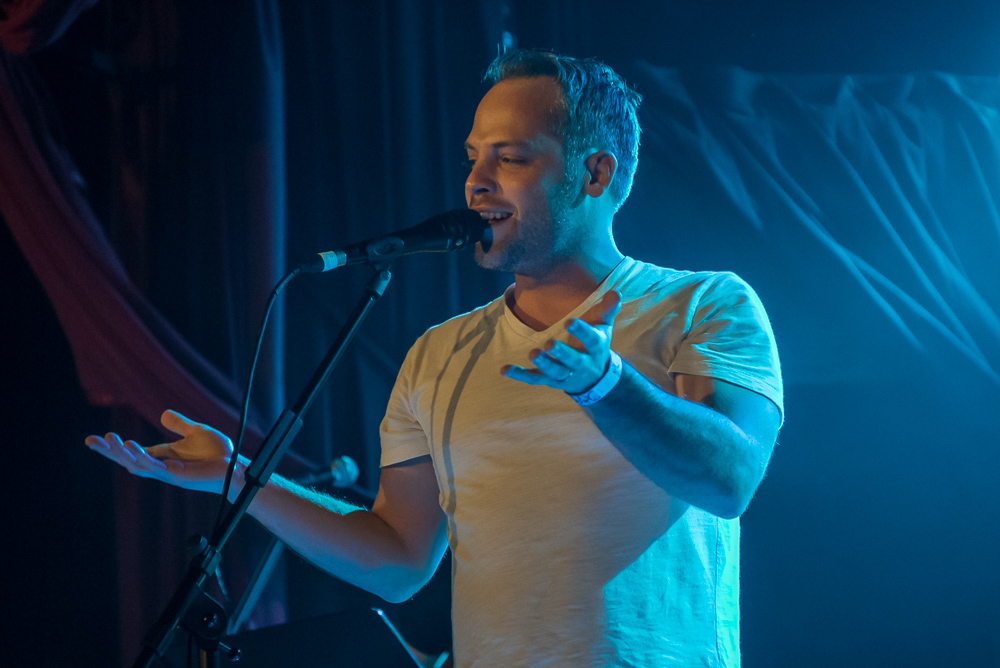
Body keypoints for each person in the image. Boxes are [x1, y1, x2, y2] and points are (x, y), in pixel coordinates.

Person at [87, 50, 782, 667]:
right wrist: (240, 481)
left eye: (510, 158)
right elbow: (397, 560)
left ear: (595, 172)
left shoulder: (704, 303)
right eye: (472, 158)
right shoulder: (439, 354)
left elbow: (729, 479)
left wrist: (606, 384)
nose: (476, 183)